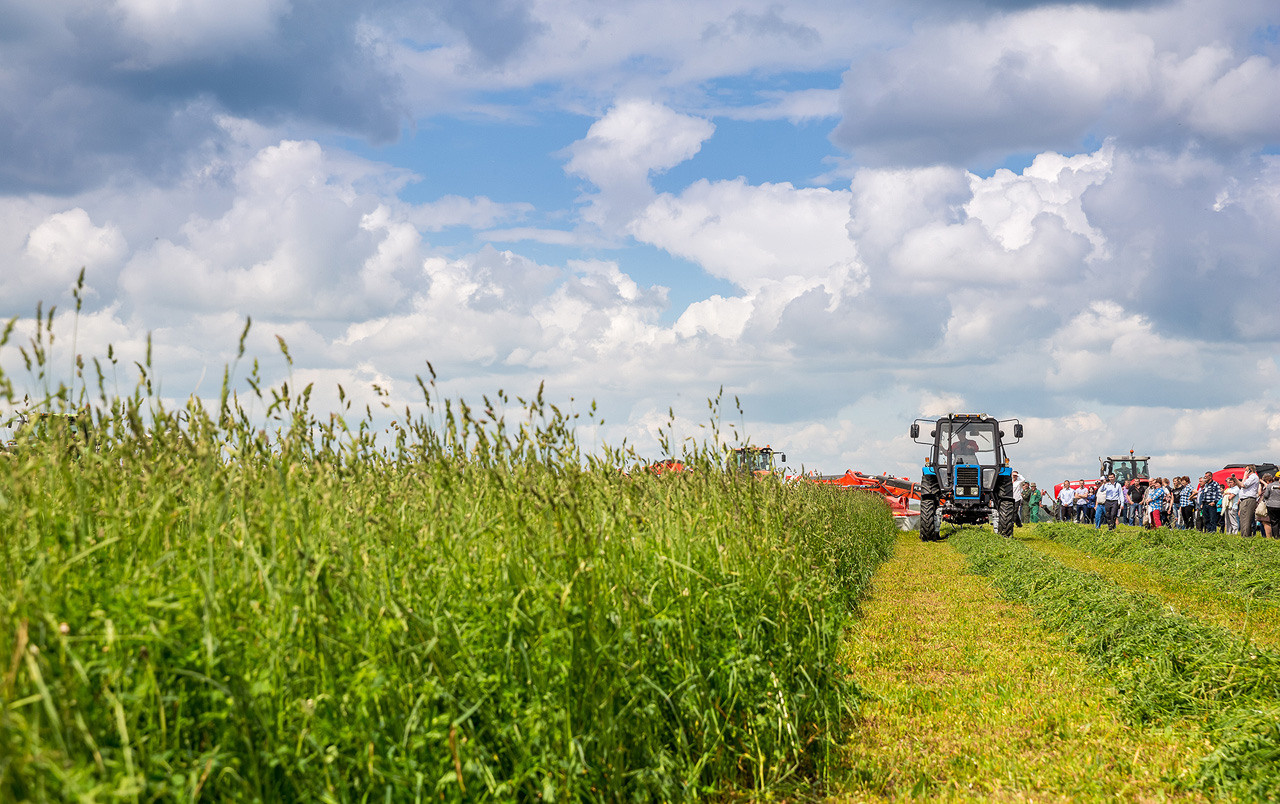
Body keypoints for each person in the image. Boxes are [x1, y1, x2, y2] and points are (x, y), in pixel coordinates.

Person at [1235, 465, 1260, 537]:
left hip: (1248, 499)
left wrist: (1243, 476)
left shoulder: (1253, 477)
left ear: (1250, 470)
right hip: (1244, 500)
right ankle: (1243, 535)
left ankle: (1246, 536)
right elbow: (1241, 485)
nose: (1245, 471)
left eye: (1246, 470)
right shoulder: (1249, 478)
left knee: (1246, 519)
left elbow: (1243, 485)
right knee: (1243, 519)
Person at [1263, 472, 1280, 539]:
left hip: (1271, 505)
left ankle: (1276, 537)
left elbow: (1266, 495)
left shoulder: (1270, 485)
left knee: (1274, 521)